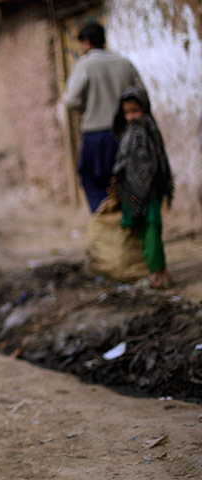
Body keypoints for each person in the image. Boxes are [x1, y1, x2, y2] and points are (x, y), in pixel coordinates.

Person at [64, 21, 145, 213]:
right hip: (126, 132)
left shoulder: (84, 65)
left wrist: (88, 109)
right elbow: (141, 95)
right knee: (126, 179)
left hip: (96, 134)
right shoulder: (124, 63)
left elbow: (71, 100)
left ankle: (106, 216)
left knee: (92, 179)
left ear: (86, 42)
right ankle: (131, 216)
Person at [111, 86, 174, 288]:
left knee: (151, 230)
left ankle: (157, 274)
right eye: (127, 112)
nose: (131, 117)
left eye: (135, 111)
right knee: (144, 231)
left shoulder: (145, 130)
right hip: (133, 194)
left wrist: (141, 189)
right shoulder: (130, 131)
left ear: (145, 109)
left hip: (147, 194)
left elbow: (154, 163)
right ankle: (156, 272)